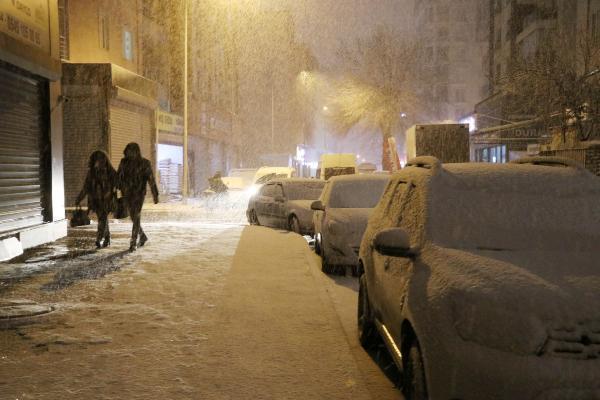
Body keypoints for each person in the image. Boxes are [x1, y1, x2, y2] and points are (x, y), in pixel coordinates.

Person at [117, 142, 159, 252]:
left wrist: (155, 194)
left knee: (136, 216)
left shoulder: (145, 163)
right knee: (133, 217)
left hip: (139, 194)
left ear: (136, 151)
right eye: (128, 150)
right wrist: (117, 188)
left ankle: (133, 242)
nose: (130, 153)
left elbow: (151, 180)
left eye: (132, 151)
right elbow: (118, 177)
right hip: (127, 194)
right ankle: (142, 235)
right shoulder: (124, 162)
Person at [75, 150, 118, 248]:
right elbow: (86, 187)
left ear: (105, 160)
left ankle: (99, 238)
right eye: (97, 159)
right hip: (96, 201)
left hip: (107, 201)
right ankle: (107, 238)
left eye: (101, 159)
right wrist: (79, 198)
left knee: (102, 219)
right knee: (102, 219)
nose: (99, 161)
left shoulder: (110, 172)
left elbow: (118, 183)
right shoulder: (91, 173)